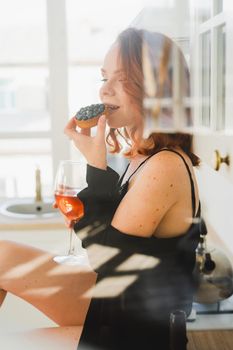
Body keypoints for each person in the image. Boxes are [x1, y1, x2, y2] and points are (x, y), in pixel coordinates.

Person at [0, 27, 201, 350]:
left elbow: (106, 257)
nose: (105, 90)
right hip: (121, 304)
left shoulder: (165, 166)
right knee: (2, 255)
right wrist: (97, 168)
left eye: (121, 80)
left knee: (12, 343)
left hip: (139, 332)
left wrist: (96, 166)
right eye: (104, 77)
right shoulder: (141, 156)